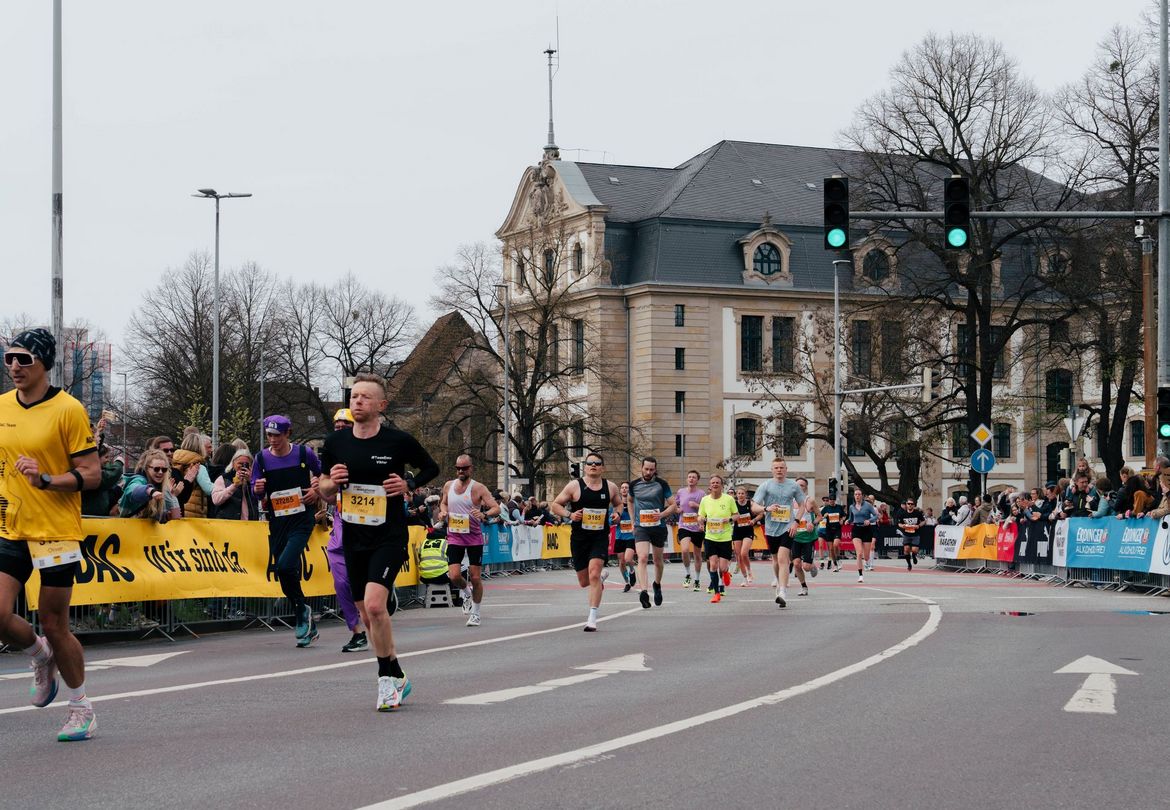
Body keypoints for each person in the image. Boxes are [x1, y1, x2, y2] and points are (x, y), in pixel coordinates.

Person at [0, 328, 101, 741]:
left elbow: (93, 474)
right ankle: (39, 655)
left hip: (56, 531)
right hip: (11, 525)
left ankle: (81, 708)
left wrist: (45, 479)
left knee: (56, 622)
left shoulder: (69, 409)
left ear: (44, 362)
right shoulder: (2, 405)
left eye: (23, 358)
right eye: (8, 359)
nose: (14, 367)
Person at [318, 373, 439, 710]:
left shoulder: (397, 441)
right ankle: (399, 673)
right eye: (354, 397)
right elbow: (325, 491)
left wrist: (408, 483)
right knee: (368, 618)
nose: (357, 402)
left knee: (375, 605)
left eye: (365, 397)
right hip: (354, 537)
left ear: (381, 405)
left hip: (388, 535)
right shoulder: (335, 443)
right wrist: (332, 483)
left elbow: (431, 466)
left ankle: (385, 681)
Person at [253, 414, 323, 648]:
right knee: (283, 570)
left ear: (287, 434)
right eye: (269, 435)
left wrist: (316, 490)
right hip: (278, 521)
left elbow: (323, 477)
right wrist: (258, 489)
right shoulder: (261, 458)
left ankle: (301, 613)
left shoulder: (304, 454)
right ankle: (302, 609)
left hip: (302, 519)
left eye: (277, 435)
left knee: (285, 564)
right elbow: (256, 490)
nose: (272, 440)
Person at [550, 452, 622, 631]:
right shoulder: (575, 486)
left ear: (602, 467)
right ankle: (599, 580)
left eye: (597, 463)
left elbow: (619, 503)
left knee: (594, 573)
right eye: (590, 463)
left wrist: (617, 514)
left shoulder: (610, 486)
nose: (594, 466)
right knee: (584, 581)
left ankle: (592, 617)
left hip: (599, 536)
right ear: (585, 467)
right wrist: (570, 515)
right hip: (579, 537)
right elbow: (555, 505)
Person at [437, 454, 500, 628]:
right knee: (454, 575)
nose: (460, 471)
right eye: (458, 468)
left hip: (473, 538)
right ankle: (466, 592)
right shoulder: (448, 485)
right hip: (455, 536)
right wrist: (442, 512)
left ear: (471, 468)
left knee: (475, 577)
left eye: (464, 468)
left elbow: (496, 508)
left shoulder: (478, 488)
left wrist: (484, 514)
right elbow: (443, 503)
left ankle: (476, 613)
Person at [751, 458, 804, 608]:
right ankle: (778, 580)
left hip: (788, 527)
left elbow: (802, 505)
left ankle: (782, 592)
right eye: (776, 468)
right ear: (772, 470)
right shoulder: (766, 486)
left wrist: (796, 522)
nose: (779, 470)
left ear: (786, 469)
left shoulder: (793, 486)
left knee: (783, 559)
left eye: (782, 467)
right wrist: (766, 509)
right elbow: (754, 506)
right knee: (775, 559)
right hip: (771, 528)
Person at [627, 456, 676, 609]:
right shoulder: (634, 484)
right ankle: (643, 591)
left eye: (651, 469)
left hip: (658, 527)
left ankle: (657, 584)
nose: (648, 472)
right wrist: (632, 520)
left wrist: (662, 515)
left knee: (657, 560)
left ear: (655, 469)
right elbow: (629, 500)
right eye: (646, 469)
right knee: (641, 557)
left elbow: (673, 505)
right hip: (641, 526)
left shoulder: (662, 484)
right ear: (641, 468)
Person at [698, 475, 736, 603]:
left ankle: (725, 572)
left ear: (721, 485)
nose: (715, 484)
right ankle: (717, 593)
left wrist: (729, 519)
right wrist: (701, 520)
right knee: (713, 565)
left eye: (717, 483)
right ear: (710, 485)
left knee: (722, 567)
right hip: (710, 537)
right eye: (713, 482)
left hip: (725, 538)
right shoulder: (705, 500)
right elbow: (700, 516)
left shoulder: (729, 499)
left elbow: (737, 515)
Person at [119, 450, 182, 522]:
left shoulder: (162, 486)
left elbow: (175, 518)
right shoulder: (139, 480)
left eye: (164, 469)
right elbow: (132, 490)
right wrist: (150, 491)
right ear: (146, 468)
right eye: (156, 469)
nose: (160, 472)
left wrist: (166, 515)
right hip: (124, 528)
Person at [675, 470, 705, 591]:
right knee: (685, 550)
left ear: (697, 480)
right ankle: (688, 574)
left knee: (697, 555)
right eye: (689, 477)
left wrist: (697, 505)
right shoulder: (681, 492)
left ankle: (697, 580)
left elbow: (706, 509)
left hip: (697, 528)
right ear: (687, 479)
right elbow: (675, 505)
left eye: (693, 477)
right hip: (684, 526)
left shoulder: (702, 494)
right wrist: (677, 509)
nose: (691, 479)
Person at [211, 449, 259, 521]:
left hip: (250, 524)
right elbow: (216, 500)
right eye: (240, 463)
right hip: (229, 524)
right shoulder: (224, 478)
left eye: (246, 464)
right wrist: (234, 486)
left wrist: (251, 481)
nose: (243, 466)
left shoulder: (255, 478)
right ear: (233, 464)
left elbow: (263, 498)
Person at [790, 496, 819, 596]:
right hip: (795, 538)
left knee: (806, 567)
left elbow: (820, 516)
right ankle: (804, 587)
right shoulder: (790, 501)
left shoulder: (810, 501)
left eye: (802, 485)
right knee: (797, 564)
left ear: (805, 487)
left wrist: (813, 523)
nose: (800, 488)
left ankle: (812, 566)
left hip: (808, 539)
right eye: (798, 485)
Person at [848, 489, 879, 583]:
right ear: (854, 496)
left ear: (862, 496)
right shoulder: (851, 507)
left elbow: (876, 516)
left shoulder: (868, 505)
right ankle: (860, 575)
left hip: (866, 530)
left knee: (866, 557)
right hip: (856, 529)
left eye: (859, 494)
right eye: (856, 494)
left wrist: (869, 520)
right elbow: (851, 518)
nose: (857, 496)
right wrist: (847, 521)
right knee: (859, 553)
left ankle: (866, 562)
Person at [731, 485, 759, 586]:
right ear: (736, 495)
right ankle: (744, 578)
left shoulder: (750, 503)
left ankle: (749, 571)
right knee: (739, 557)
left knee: (743, 553)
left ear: (745, 495)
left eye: (742, 493)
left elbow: (760, 513)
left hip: (748, 531)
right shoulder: (733, 504)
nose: (740, 495)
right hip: (737, 531)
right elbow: (729, 515)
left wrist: (754, 520)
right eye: (738, 493)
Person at [614, 482, 637, 592]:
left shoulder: (633, 503)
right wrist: (614, 519)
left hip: (631, 536)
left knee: (628, 559)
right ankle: (627, 582)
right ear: (620, 490)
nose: (624, 489)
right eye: (622, 487)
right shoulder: (616, 505)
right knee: (621, 562)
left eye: (626, 488)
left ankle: (632, 570)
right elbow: (611, 520)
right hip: (619, 536)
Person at [894, 498, 925, 571]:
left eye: (912, 504)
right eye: (908, 504)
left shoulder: (917, 513)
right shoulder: (902, 514)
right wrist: (903, 526)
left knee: (914, 550)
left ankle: (914, 556)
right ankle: (909, 564)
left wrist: (919, 525)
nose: (910, 505)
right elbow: (899, 523)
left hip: (915, 534)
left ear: (914, 505)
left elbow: (923, 521)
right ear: (906, 505)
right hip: (906, 534)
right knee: (906, 549)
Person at [820, 494, 846, 572]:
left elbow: (844, 515)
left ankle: (838, 559)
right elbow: (819, 517)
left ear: (835, 500)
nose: (831, 502)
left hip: (837, 529)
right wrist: (824, 516)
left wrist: (842, 520)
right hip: (829, 530)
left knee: (835, 545)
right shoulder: (826, 508)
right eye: (830, 501)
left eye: (832, 500)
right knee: (831, 549)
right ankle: (835, 565)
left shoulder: (839, 507)